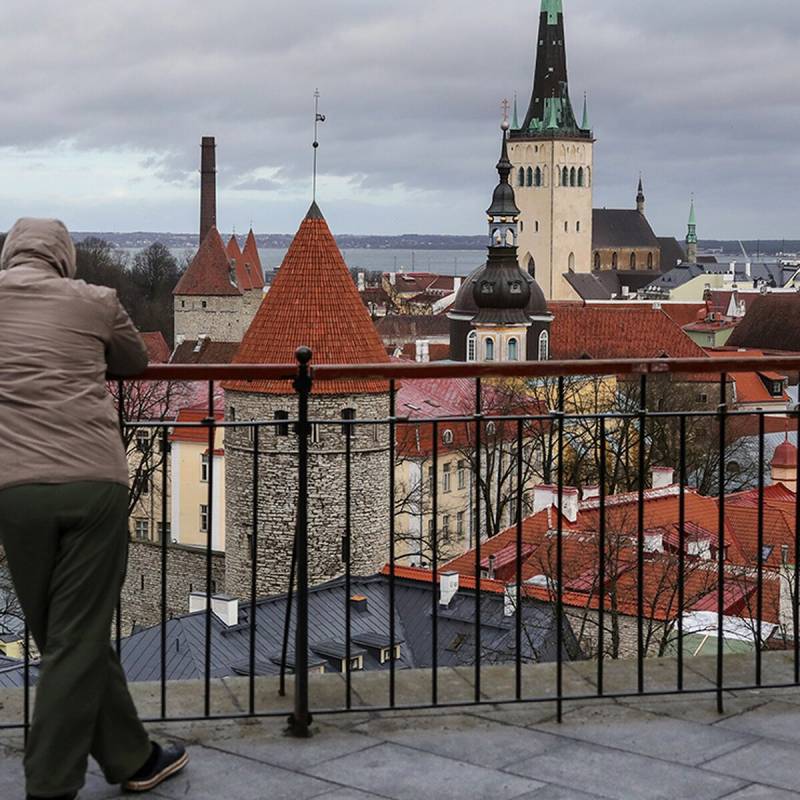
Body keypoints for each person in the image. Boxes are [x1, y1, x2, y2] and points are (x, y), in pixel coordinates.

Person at [0, 219, 189, 799]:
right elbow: (134, 362)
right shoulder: (95, 300)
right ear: (65, 259)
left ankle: (132, 757)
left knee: (60, 633)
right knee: (76, 635)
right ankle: (50, 785)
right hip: (93, 483)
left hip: (17, 491)